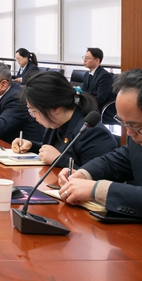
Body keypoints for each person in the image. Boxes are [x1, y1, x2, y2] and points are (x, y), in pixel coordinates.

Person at [58, 69, 142, 217]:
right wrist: (84, 173)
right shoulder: (136, 137)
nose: (129, 132)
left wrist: (97, 190)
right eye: (124, 123)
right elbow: (118, 160)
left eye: (135, 126)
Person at [10, 71, 117, 168]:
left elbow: (92, 177)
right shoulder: (55, 122)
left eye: (34, 111)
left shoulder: (92, 133)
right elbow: (55, 150)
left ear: (55, 108)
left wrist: (59, 160)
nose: (33, 116)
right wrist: (31, 146)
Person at [82, 47, 117, 123]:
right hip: (90, 104)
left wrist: (84, 104)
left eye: (88, 58)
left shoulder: (104, 76)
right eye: (84, 58)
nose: (84, 60)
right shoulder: (86, 75)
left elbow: (100, 98)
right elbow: (83, 92)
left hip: (102, 107)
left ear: (97, 60)